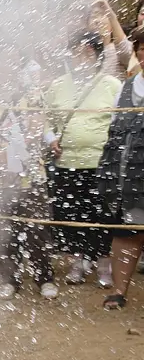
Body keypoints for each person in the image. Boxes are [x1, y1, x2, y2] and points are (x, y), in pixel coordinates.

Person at [44, 30, 121, 287]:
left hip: (100, 162)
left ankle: (103, 266)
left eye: (87, 51)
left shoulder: (111, 84)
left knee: (101, 215)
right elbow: (46, 120)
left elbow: (119, 122)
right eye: (77, 51)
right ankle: (77, 262)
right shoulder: (57, 86)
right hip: (66, 162)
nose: (81, 56)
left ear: (96, 54)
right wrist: (50, 138)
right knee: (72, 215)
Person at [0, 59, 58, 300]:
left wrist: (14, 154)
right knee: (1, 230)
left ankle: (44, 277)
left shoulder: (32, 95)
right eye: (1, 62)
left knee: (36, 228)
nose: (6, 68)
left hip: (30, 172)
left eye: (11, 64)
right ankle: (8, 279)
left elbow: (37, 127)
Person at [98, 27, 144, 309]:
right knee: (126, 232)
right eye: (142, 47)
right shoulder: (126, 86)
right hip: (129, 173)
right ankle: (119, 290)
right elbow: (116, 131)